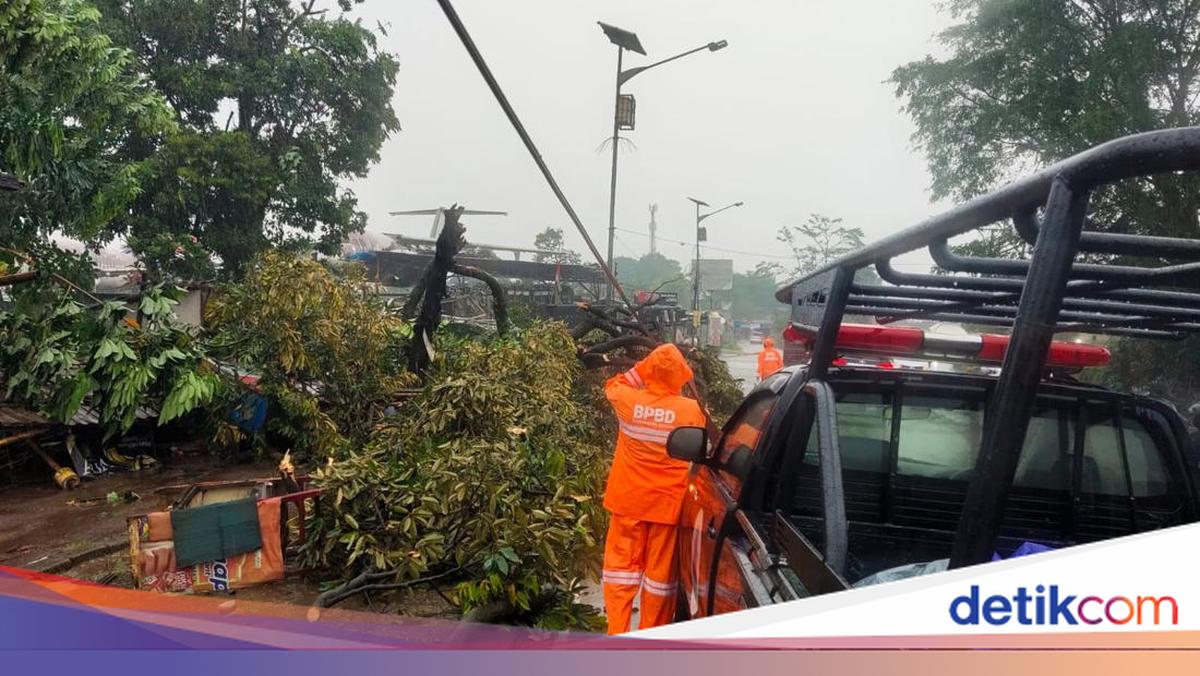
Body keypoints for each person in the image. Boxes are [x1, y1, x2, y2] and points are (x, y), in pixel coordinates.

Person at [601, 343, 707, 635]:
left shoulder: (627, 401)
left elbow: (613, 383)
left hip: (627, 503)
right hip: (666, 507)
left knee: (620, 573)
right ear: (679, 375)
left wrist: (643, 368)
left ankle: (617, 631)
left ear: (650, 369)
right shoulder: (691, 410)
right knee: (659, 580)